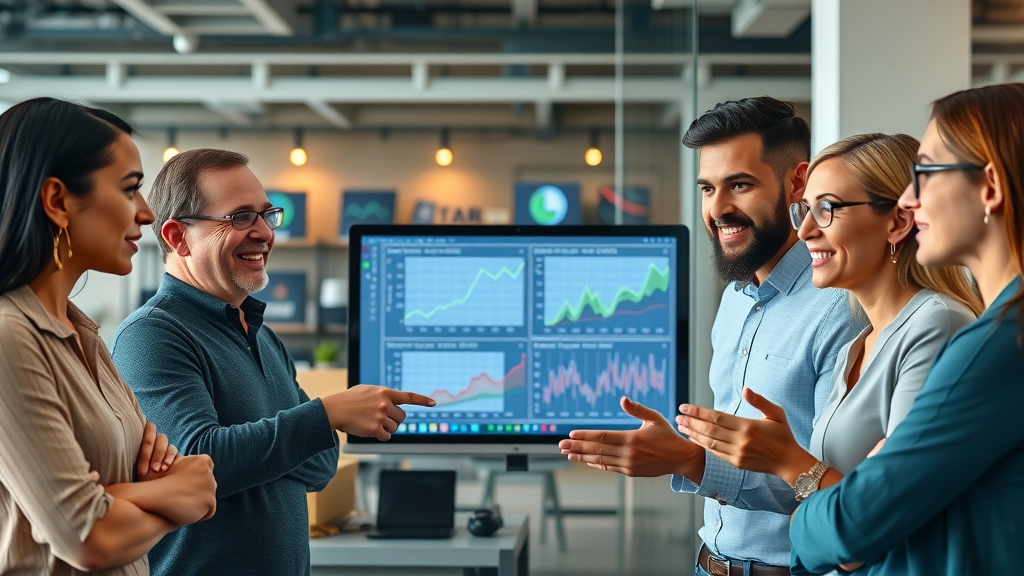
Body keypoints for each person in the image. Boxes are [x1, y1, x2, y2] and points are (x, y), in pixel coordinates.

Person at [559, 96, 866, 575]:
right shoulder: (735, 300)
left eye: (739, 185)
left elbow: (838, 488)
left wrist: (690, 461)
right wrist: (690, 455)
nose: (718, 209)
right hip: (708, 564)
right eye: (707, 189)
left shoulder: (840, 309)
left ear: (797, 182)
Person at [110, 148, 436, 576]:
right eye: (240, 217)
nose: (264, 232)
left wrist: (260, 448)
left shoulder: (263, 336)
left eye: (267, 215)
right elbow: (201, 462)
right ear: (177, 237)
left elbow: (321, 467)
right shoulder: (153, 335)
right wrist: (328, 413)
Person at [675, 133, 982, 571]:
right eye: (806, 210)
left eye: (828, 209)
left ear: (897, 223)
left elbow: (884, 519)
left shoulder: (937, 323)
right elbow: (838, 503)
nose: (805, 231)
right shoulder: (859, 346)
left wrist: (790, 464)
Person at [780, 83, 1024, 575]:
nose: (910, 202)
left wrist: (809, 507)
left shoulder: (995, 342)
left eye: (927, 173)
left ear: (991, 188)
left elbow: (855, 525)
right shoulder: (991, 334)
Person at [0, 98, 218, 575]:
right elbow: (89, 537)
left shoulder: (85, 335)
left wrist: (127, 497)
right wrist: (174, 495)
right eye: (129, 190)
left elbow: (166, 475)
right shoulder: (9, 339)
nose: (145, 213)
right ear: (57, 200)